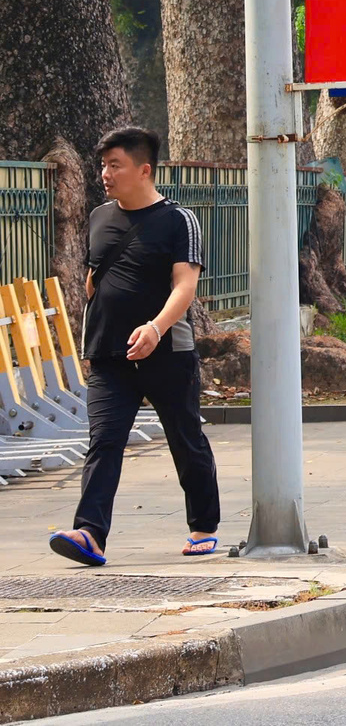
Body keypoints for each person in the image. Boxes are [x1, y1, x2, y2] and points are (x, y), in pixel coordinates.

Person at [50, 128, 220, 568]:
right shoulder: (99, 217)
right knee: (104, 441)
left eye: (115, 165)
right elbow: (95, 278)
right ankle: (90, 534)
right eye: (103, 165)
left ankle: (203, 524)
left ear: (143, 170)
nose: (105, 174)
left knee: (185, 438)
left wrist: (156, 328)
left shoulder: (179, 220)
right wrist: (97, 332)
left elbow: (186, 285)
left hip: (167, 350)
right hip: (110, 354)